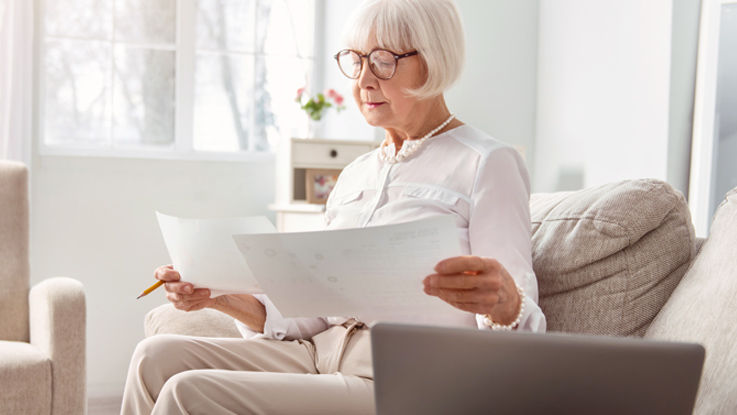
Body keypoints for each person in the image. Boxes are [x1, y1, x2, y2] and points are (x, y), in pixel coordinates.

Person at [121, 0, 546, 413]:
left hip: (403, 379)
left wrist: (503, 301)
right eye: (355, 61)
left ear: (433, 60)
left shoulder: (487, 162)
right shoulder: (355, 175)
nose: (363, 79)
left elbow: (522, 320)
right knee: (153, 358)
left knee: (189, 393)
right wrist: (214, 295)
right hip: (319, 355)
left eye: (382, 60)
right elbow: (310, 313)